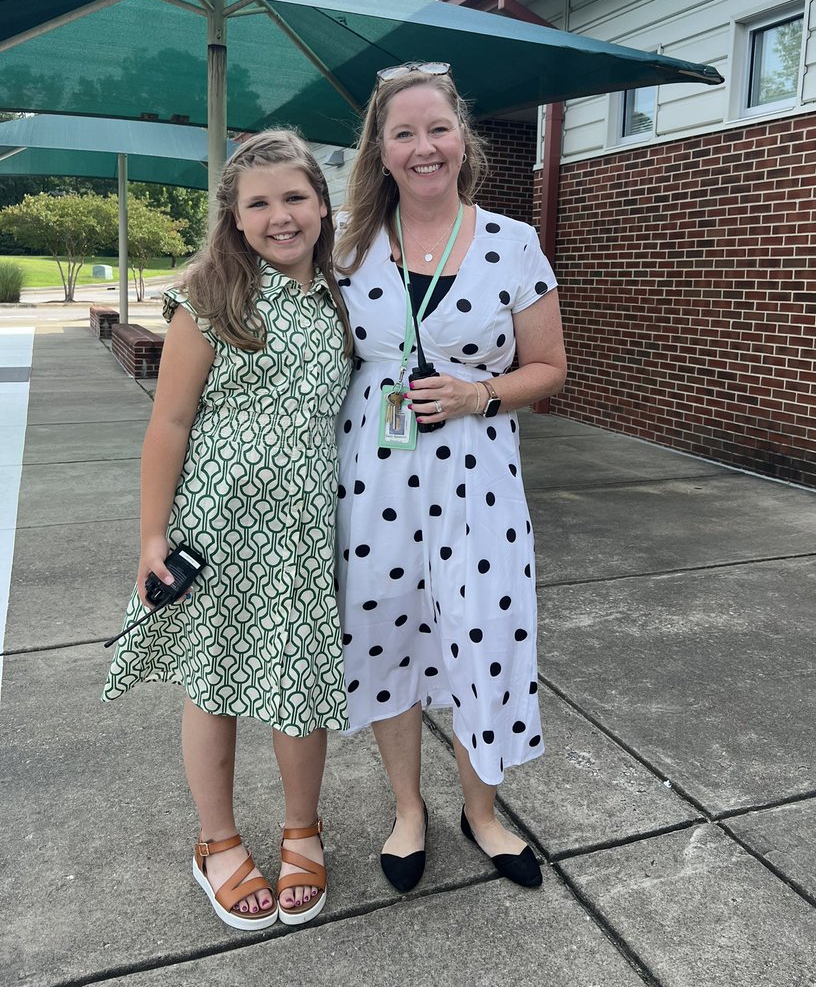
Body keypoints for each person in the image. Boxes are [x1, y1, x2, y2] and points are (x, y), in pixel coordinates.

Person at [103, 130, 352, 930]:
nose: (280, 216)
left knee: (299, 681)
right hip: (214, 526)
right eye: (260, 204)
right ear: (235, 220)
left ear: (321, 204)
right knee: (213, 684)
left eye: (295, 198)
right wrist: (150, 539)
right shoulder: (211, 298)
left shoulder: (341, 299)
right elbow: (169, 425)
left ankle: (301, 829)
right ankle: (216, 841)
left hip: (305, 534)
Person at [334, 61, 567, 892]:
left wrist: (480, 391)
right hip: (373, 481)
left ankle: (483, 811)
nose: (424, 146)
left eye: (438, 128)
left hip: (480, 481)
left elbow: (550, 367)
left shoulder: (512, 243)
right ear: (382, 150)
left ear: (462, 139)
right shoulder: (347, 247)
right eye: (405, 133)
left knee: (485, 638)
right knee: (385, 636)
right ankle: (408, 810)